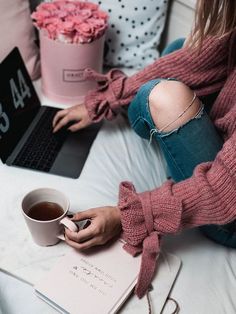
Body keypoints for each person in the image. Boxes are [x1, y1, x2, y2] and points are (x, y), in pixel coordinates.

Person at [52, 0, 236, 298]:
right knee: (180, 50)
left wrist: (128, 216)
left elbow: (225, 188)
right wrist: (109, 97)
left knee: (160, 95)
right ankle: (154, 120)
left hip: (230, 221)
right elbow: (201, 62)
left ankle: (154, 123)